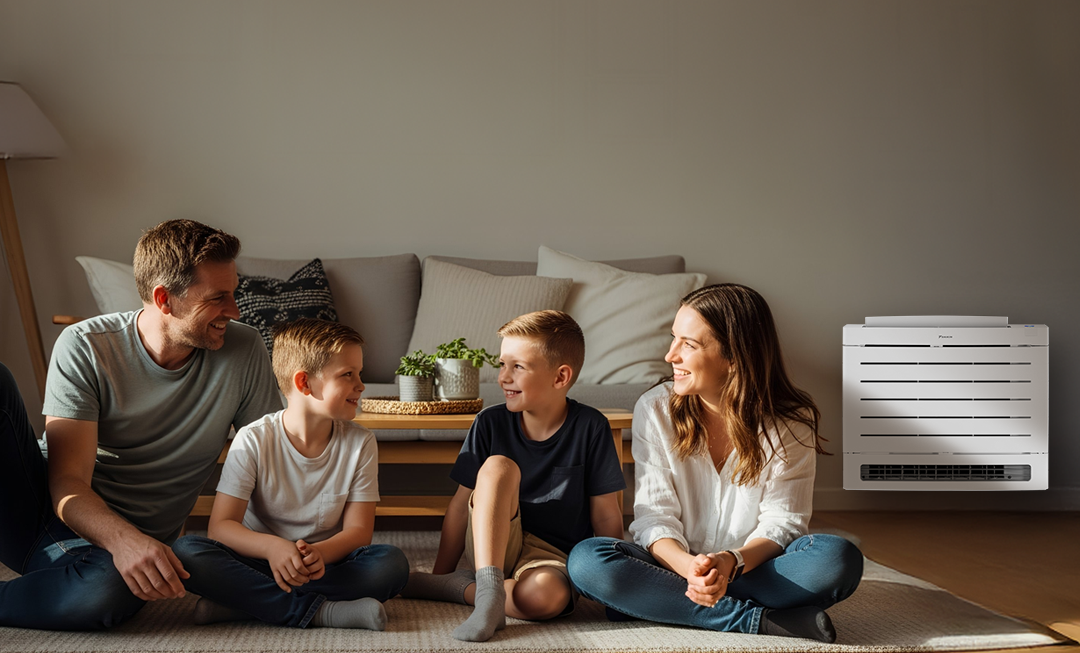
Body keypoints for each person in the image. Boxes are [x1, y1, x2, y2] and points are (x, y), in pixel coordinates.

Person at [0, 219, 282, 631]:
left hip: (119, 550)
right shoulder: (86, 346)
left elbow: (271, 464)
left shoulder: (244, 349)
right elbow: (67, 482)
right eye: (218, 298)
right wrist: (124, 541)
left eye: (233, 293)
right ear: (164, 299)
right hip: (41, 514)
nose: (234, 311)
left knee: (110, 587)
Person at [567, 284, 863, 643]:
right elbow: (653, 517)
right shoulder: (656, 409)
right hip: (672, 568)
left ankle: (657, 603)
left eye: (688, 344)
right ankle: (761, 620)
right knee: (587, 560)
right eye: (673, 338)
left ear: (735, 356)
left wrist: (730, 562)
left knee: (837, 558)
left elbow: (783, 522)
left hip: (753, 567)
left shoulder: (791, 420)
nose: (670, 355)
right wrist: (689, 569)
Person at [401, 310, 626, 642]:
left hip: (551, 557)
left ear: (560, 377)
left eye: (517, 367)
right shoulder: (489, 423)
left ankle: (465, 590)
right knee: (498, 467)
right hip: (490, 545)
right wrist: (440, 573)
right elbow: (461, 507)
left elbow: (606, 514)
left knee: (546, 598)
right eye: (502, 364)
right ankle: (489, 592)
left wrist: (615, 584)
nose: (503, 377)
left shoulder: (591, 427)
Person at [173, 318, 408, 629]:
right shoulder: (254, 439)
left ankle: (245, 604)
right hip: (259, 561)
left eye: (359, 373)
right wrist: (274, 548)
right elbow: (221, 527)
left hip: (322, 564)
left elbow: (358, 532)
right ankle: (325, 612)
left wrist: (317, 554)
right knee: (187, 552)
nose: (361, 385)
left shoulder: (360, 443)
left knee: (390, 565)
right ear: (304, 383)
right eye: (347, 375)